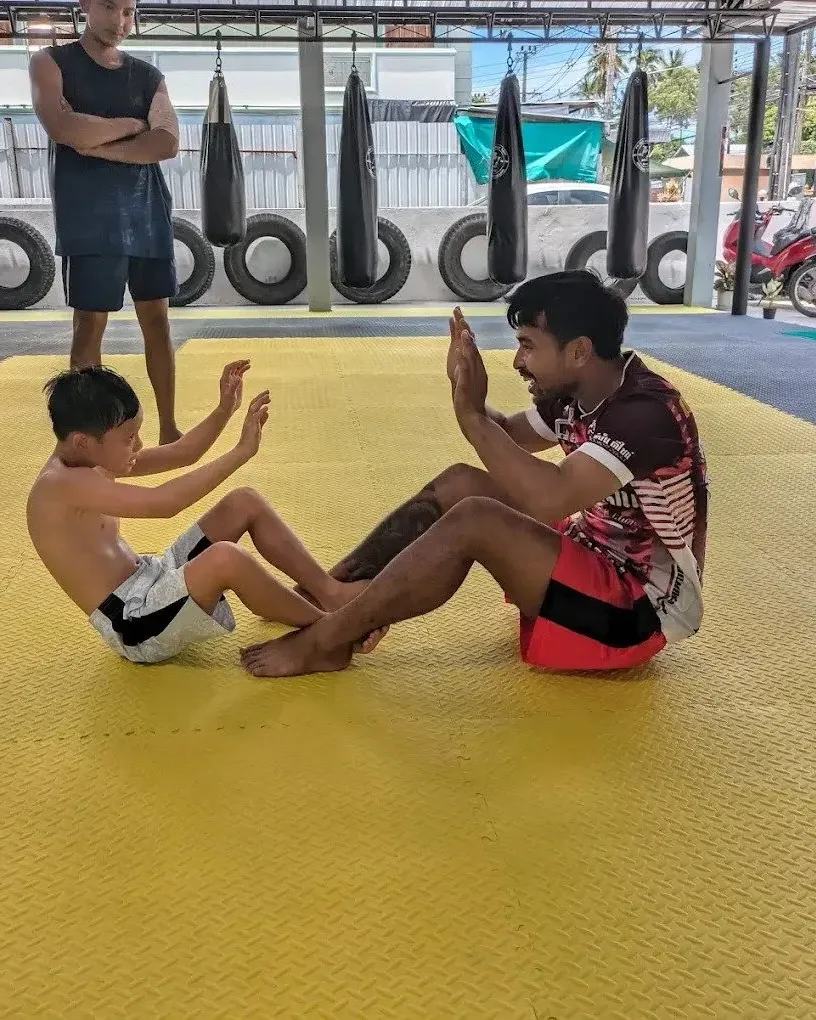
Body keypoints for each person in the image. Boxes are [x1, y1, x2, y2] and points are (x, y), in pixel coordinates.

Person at [240, 270, 710, 678]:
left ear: (580, 351)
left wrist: (470, 417)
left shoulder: (647, 413)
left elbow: (552, 497)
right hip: (590, 550)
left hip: (635, 609)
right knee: (462, 481)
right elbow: (507, 433)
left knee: (477, 519)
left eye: (528, 345)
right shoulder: (577, 392)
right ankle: (329, 592)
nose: (517, 361)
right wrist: (461, 385)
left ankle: (328, 641)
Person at [27, 361, 375, 665]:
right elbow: (163, 504)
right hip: (134, 621)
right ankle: (330, 632)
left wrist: (225, 408)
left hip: (153, 577)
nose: (140, 446)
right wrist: (240, 453)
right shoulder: (59, 485)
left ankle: (329, 592)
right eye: (129, 437)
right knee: (226, 558)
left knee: (243, 501)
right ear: (82, 442)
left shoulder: (93, 457)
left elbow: (183, 453)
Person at [29, 0, 183, 444]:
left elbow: (167, 142)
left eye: (131, 11)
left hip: (148, 211)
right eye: (111, 7)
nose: (121, 20)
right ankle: (86, 437)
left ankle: (169, 427)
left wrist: (100, 144)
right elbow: (63, 127)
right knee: (90, 323)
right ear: (86, 6)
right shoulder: (50, 62)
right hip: (89, 217)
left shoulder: (148, 75)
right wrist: (134, 125)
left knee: (158, 320)